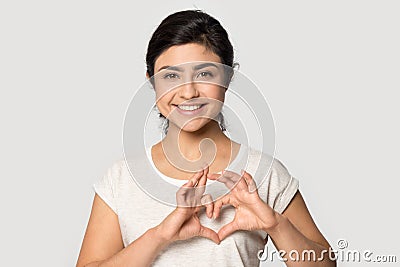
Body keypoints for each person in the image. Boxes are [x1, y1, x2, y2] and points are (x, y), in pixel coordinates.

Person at [76, 10, 336, 267]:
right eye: (170, 76)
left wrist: (275, 225)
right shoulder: (121, 179)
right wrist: (160, 236)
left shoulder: (264, 173)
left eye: (204, 74)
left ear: (227, 78)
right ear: (152, 82)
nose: (188, 92)